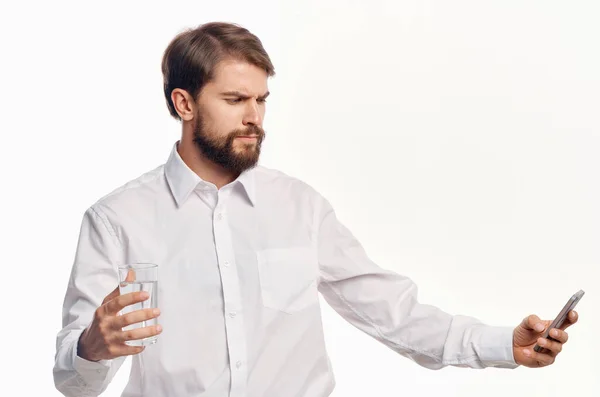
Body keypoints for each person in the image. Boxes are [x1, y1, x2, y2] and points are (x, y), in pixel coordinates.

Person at [53, 22, 579, 397]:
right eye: (236, 101)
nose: (254, 118)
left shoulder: (299, 207)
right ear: (184, 104)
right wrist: (93, 346)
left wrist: (502, 345)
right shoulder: (116, 220)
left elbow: (393, 313)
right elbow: (72, 383)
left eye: (262, 101)